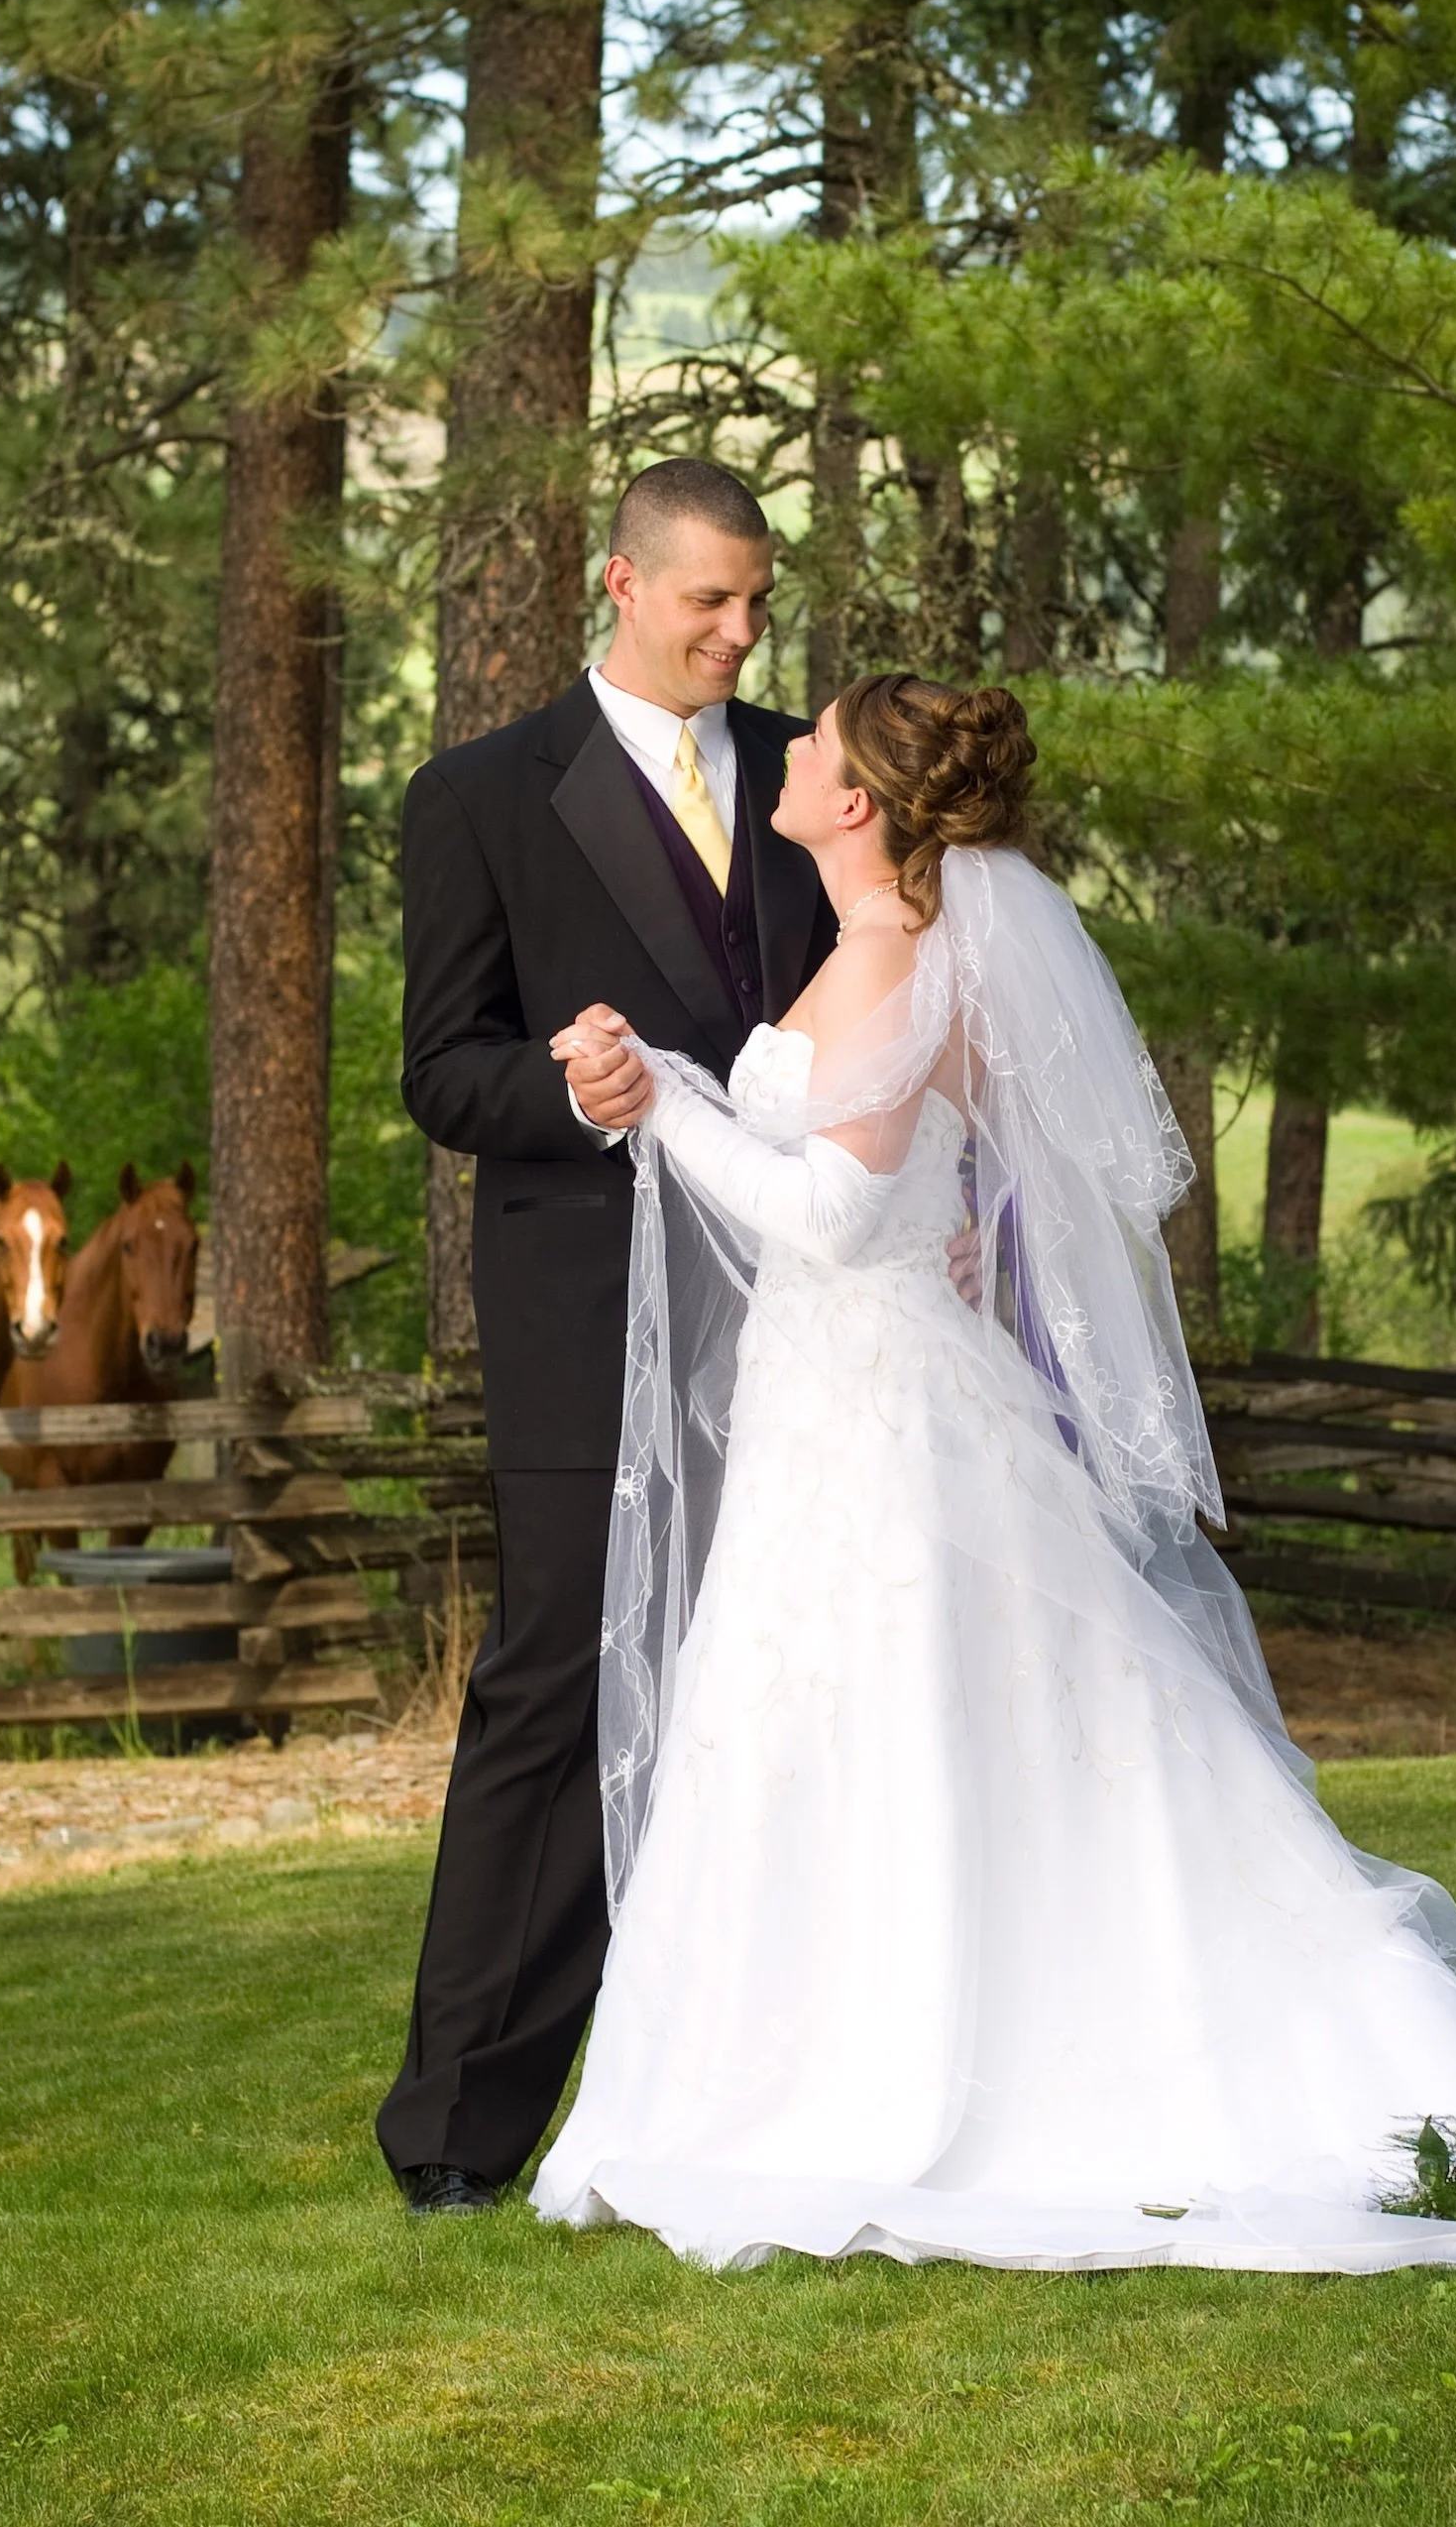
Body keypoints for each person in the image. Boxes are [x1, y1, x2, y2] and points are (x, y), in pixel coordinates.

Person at [532, 671, 1456, 2272]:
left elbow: (840, 1218)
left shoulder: (892, 961)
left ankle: (890, 2081)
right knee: (874, 1721)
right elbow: (874, 1180)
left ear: (857, 805)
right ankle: (789, 2075)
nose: (786, 749)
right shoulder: (887, 955)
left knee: (891, 1710)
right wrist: (660, 1071)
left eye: (818, 742)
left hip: (883, 1416)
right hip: (850, 1402)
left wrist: (661, 1112)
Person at [377, 459, 836, 2212]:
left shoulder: (813, 777)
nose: (742, 633)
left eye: (758, 603)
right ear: (620, 586)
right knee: (554, 1688)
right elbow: (440, 1067)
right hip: (586, 1315)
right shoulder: (480, 797)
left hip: (807, 1309)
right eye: (712, 600)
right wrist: (567, 1090)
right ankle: (458, 2132)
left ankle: (770, 2093)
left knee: (789, 1683)